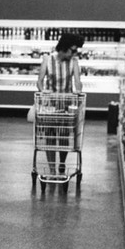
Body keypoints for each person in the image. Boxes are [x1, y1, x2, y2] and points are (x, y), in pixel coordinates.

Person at [37, 32, 84, 175]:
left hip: (66, 107)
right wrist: (43, 91)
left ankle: (62, 163)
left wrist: (78, 91)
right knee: (50, 137)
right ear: (64, 47)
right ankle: (52, 169)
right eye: (73, 50)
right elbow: (39, 81)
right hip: (50, 107)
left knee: (63, 137)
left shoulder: (74, 62)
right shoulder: (47, 60)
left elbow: (77, 82)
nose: (74, 53)